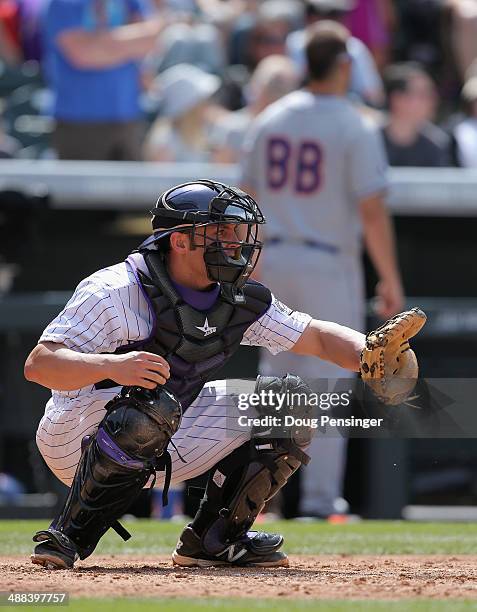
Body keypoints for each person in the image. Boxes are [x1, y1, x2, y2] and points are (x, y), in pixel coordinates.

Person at [25, 179, 367, 570]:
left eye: (237, 230)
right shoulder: (114, 288)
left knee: (289, 403)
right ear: (180, 241)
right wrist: (113, 366)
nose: (236, 241)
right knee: (151, 403)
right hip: (77, 436)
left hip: (167, 428)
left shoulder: (235, 295)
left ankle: (214, 540)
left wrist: (370, 353)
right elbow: (40, 364)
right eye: (220, 231)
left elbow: (317, 337)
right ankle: (68, 534)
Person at [240, 21, 404, 518]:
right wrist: (391, 278)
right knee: (330, 376)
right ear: (344, 64)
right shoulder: (353, 122)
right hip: (328, 257)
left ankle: (256, 501)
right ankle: (318, 501)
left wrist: (250, 263)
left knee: (276, 379)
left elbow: (245, 201)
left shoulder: (271, 117)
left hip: (273, 256)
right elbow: (372, 209)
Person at [42, 0, 164, 160]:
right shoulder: (63, 3)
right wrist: (132, 43)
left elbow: (154, 39)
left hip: (128, 118)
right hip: (78, 122)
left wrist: (102, 44)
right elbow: (84, 55)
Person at [286, 0, 384, 107]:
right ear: (310, 16)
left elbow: (372, 95)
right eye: (327, 14)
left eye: (339, 15)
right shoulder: (295, 43)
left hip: (346, 112)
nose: (334, 21)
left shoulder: (354, 47)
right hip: (302, 111)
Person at [143, 63, 222, 163]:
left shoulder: (204, 132)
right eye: (202, 102)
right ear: (189, 108)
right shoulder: (165, 142)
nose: (208, 106)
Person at [381, 63, 451, 167]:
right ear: (397, 99)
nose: (432, 100)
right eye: (423, 94)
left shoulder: (437, 144)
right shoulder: (369, 142)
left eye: (432, 94)